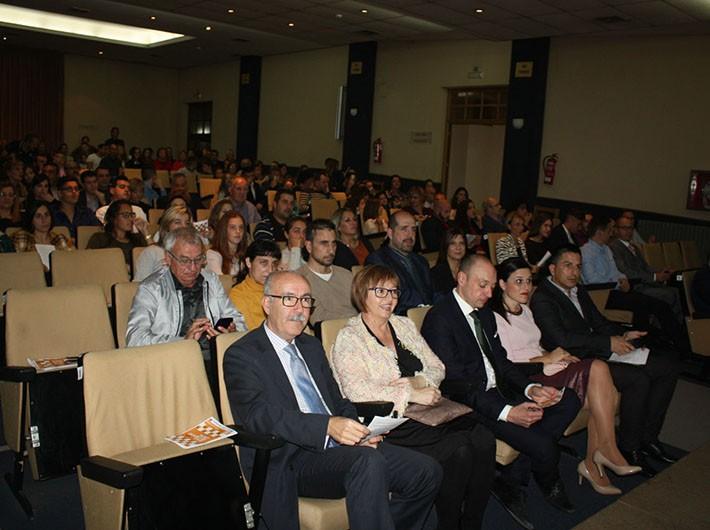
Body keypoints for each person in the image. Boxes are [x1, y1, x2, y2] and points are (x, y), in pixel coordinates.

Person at [223, 270, 442, 530]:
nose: (300, 309)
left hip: (338, 448)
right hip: (290, 456)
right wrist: (327, 426)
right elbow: (258, 416)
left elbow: (337, 401)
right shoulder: (243, 354)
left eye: (306, 300)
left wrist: (358, 432)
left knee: (426, 472)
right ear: (267, 304)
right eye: (289, 299)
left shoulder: (310, 346)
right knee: (367, 462)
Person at [421, 254, 581, 529]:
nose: (489, 293)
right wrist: (508, 413)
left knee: (569, 399)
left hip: (499, 390)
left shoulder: (484, 312)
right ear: (461, 278)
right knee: (545, 447)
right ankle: (543, 475)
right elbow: (457, 385)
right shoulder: (440, 319)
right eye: (482, 285)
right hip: (471, 404)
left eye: (492, 286)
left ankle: (512, 477)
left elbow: (502, 362)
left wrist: (530, 388)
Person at [331, 265, 495, 529]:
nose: (390, 298)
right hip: (391, 421)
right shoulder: (349, 337)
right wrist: (412, 393)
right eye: (380, 291)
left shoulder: (403, 324)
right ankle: (449, 524)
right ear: (362, 293)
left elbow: (437, 367)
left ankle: (472, 522)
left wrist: (416, 382)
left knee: (484, 439)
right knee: (460, 450)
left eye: (394, 291)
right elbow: (356, 390)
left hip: (427, 411)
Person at [492, 258, 640, 495]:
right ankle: (607, 450)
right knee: (598, 368)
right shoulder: (496, 318)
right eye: (518, 281)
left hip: (548, 368)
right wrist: (547, 359)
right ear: (502, 284)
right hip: (529, 379)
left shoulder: (526, 310)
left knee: (605, 397)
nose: (526, 287)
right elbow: (509, 366)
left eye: (528, 281)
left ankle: (592, 465)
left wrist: (556, 356)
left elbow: (534, 347)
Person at [530, 245, 681, 477]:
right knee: (637, 379)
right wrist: (608, 343)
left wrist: (621, 335)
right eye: (567, 266)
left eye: (578, 267)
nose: (574, 272)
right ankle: (629, 446)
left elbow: (598, 322)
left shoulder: (577, 289)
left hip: (599, 350)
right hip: (577, 360)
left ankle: (648, 438)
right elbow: (561, 339)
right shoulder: (543, 297)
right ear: (552, 269)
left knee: (668, 367)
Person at [126, 227, 244, 364]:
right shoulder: (151, 288)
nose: (193, 268)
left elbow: (238, 321)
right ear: (168, 258)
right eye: (185, 260)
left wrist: (232, 332)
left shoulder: (211, 280)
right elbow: (135, 339)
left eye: (198, 259)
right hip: (173, 362)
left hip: (214, 359)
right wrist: (183, 342)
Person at [581, 216, 685, 350]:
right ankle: (672, 343)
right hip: (601, 295)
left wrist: (623, 279)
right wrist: (618, 283)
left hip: (615, 291)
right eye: (609, 230)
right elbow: (592, 280)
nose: (611, 233)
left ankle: (657, 342)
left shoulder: (606, 249)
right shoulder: (586, 251)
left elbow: (616, 271)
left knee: (652, 303)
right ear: (600, 232)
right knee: (645, 303)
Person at [611, 214, 683, 322]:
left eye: (631, 228)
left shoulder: (634, 247)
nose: (628, 231)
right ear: (616, 229)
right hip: (634, 286)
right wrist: (654, 277)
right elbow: (626, 272)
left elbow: (645, 267)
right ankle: (664, 326)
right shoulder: (614, 247)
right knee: (668, 295)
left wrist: (661, 271)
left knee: (676, 291)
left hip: (645, 283)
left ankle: (676, 326)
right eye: (624, 228)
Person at [366, 210, 433, 315]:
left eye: (413, 229)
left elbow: (432, 291)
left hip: (428, 314)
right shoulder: (377, 260)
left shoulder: (421, 261)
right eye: (404, 229)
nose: (410, 235)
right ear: (390, 233)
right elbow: (391, 297)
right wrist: (424, 307)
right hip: (400, 317)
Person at [297, 219, 357, 327]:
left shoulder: (347, 275)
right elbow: (319, 319)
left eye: (333, 244)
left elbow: (364, 307)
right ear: (309, 246)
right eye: (324, 244)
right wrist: (359, 320)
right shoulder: (300, 279)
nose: (331, 250)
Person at [229, 240, 281, 330]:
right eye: (264, 263)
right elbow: (251, 332)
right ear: (248, 262)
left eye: (274, 264)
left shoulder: (281, 289)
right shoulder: (238, 294)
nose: (270, 270)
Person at [87, 199, 147, 274]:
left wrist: (145, 232)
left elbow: (156, 257)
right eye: (125, 215)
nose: (131, 219)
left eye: (131, 215)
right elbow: (89, 262)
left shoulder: (137, 238)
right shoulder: (99, 238)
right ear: (113, 218)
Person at [133, 205, 192, 281]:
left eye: (187, 223)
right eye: (177, 222)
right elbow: (138, 285)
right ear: (167, 226)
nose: (184, 227)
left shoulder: (193, 253)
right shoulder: (152, 252)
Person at [50, 176, 101, 243]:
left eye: (76, 189)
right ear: (60, 193)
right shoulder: (51, 213)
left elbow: (98, 232)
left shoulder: (86, 212)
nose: (74, 192)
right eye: (69, 189)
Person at [206, 211, 247, 278]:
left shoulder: (244, 254)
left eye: (241, 227)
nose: (238, 231)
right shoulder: (213, 254)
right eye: (233, 227)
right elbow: (220, 280)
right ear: (224, 230)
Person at [430, 228, 466, 302]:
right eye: (453, 243)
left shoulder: (470, 269)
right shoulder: (435, 274)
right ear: (446, 246)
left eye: (461, 243)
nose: (458, 247)